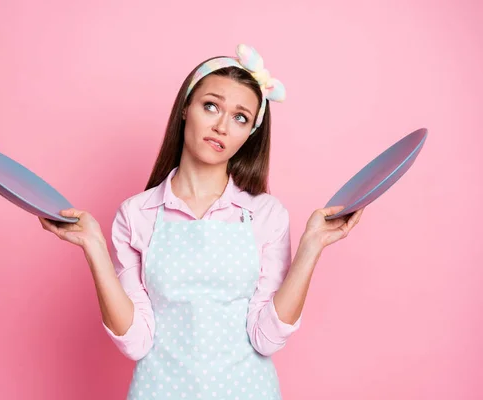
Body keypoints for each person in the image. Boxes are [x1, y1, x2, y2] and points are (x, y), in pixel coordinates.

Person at [39, 44, 364, 400]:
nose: (222, 126)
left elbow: (266, 337)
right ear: (185, 108)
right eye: (211, 106)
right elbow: (136, 342)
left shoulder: (266, 214)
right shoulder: (136, 214)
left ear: (251, 133)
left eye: (240, 117)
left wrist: (310, 248)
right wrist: (94, 247)